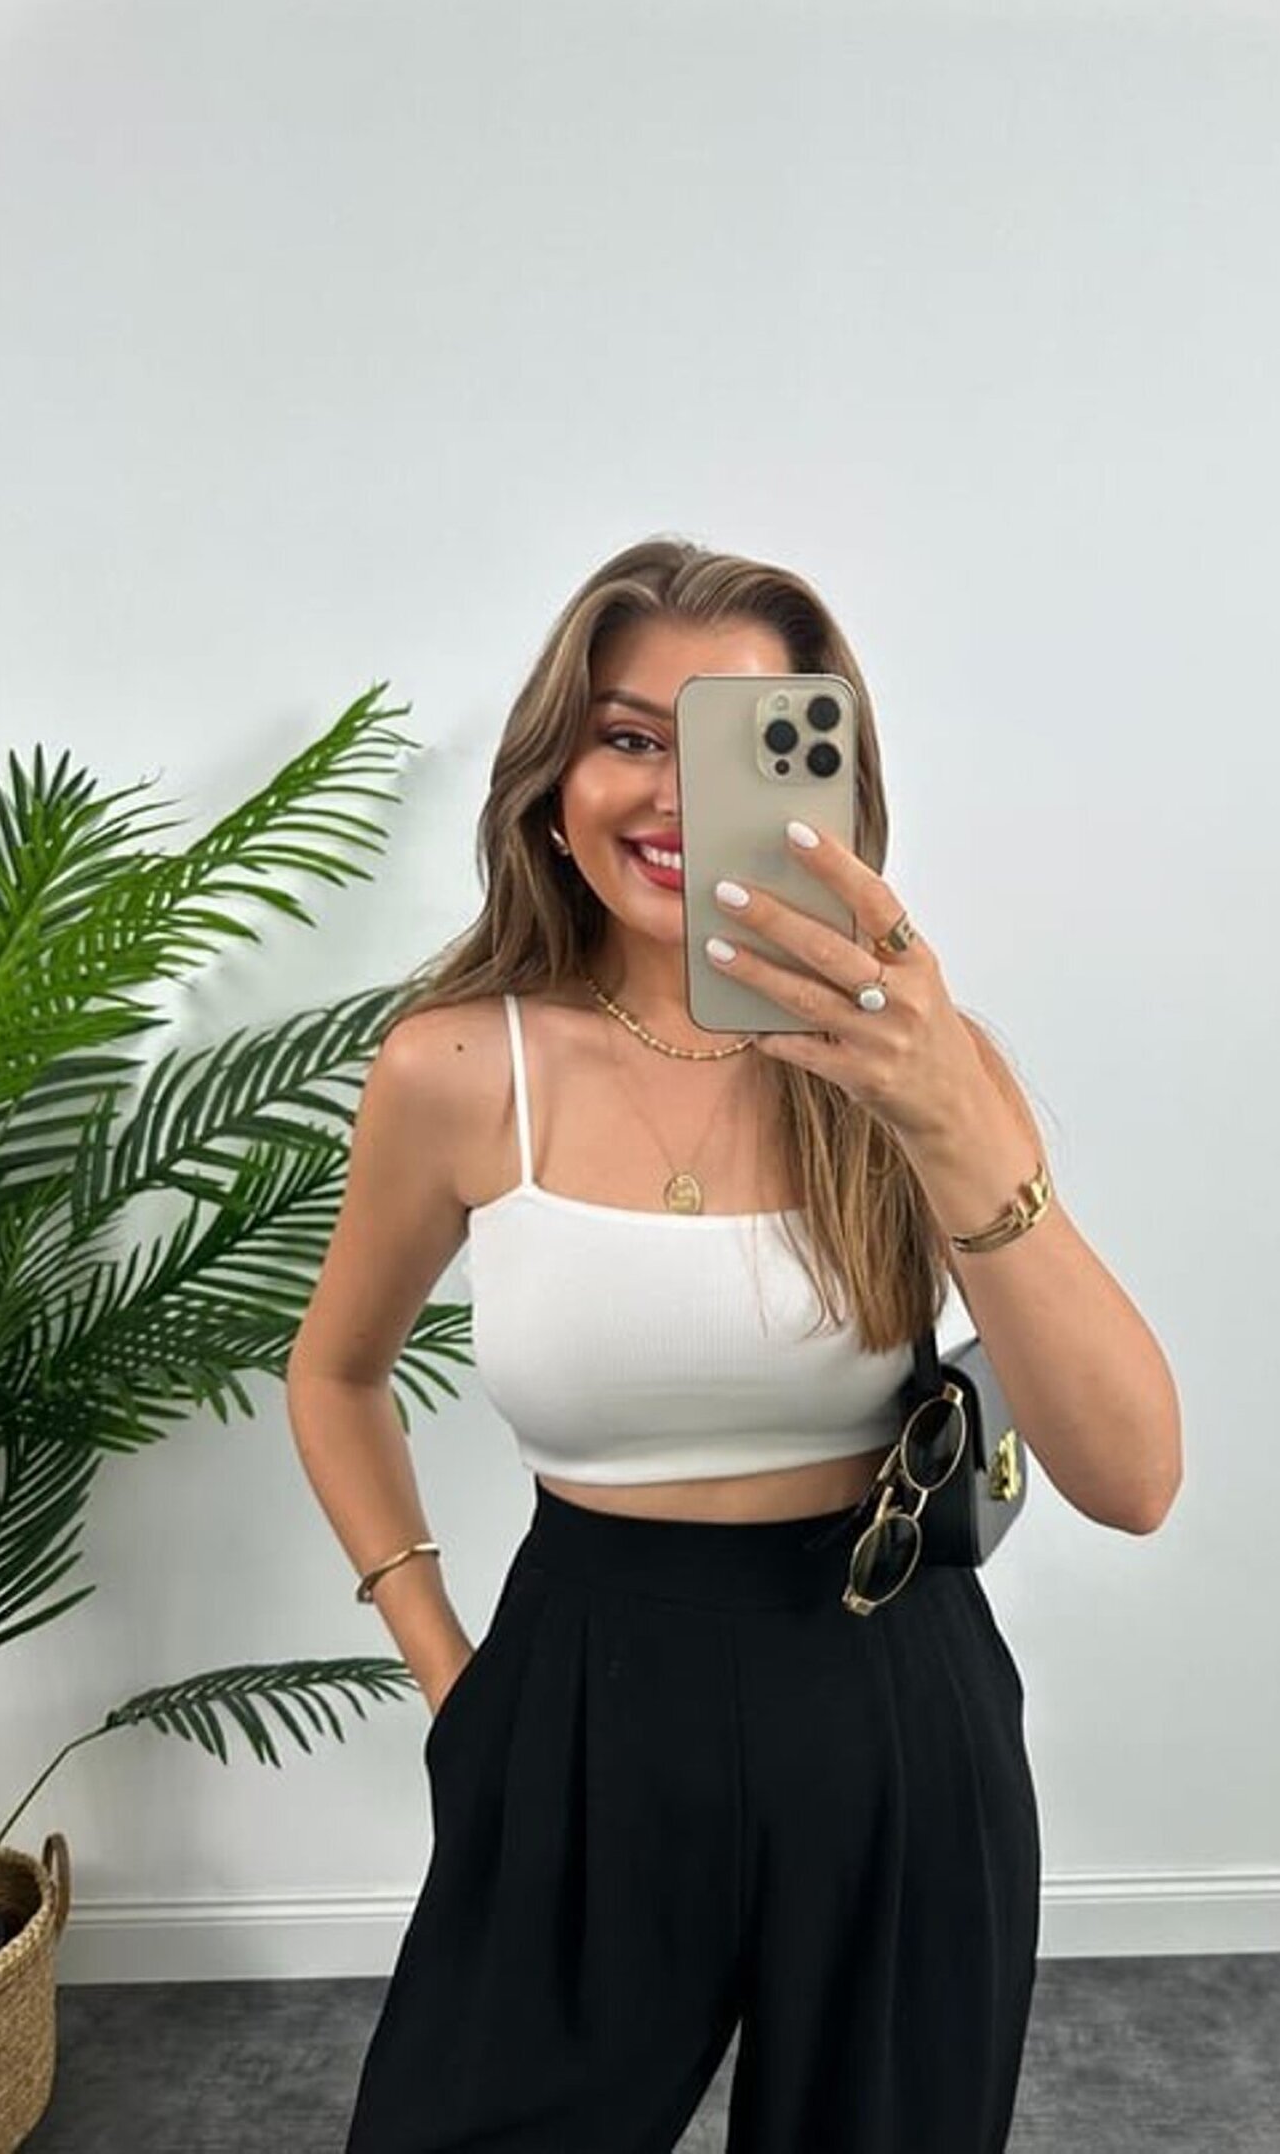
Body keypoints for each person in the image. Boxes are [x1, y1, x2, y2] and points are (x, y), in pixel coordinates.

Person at [287, 534, 1183, 2154]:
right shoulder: (455, 1069)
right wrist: (450, 1678)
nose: (676, 796)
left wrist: (952, 1121)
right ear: (553, 777)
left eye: (742, 746)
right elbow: (336, 1374)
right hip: (579, 1689)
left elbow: (1133, 1479)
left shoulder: (916, 1066)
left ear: (826, 788)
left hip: (889, 1690)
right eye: (632, 735)